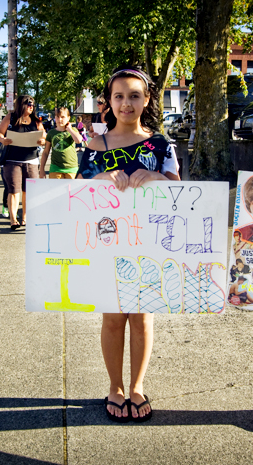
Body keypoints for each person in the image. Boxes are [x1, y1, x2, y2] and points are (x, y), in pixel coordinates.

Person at [77, 65, 180, 423]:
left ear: (148, 98)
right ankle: (115, 387)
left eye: (134, 95)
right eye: (119, 96)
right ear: (109, 101)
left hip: (149, 243)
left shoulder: (162, 145)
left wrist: (157, 177)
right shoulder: (95, 145)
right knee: (112, 318)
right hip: (107, 245)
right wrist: (100, 178)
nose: (126, 103)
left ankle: (137, 386)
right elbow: (73, 193)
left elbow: (179, 189)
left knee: (141, 317)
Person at [0, 95, 46, 230]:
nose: (31, 107)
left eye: (32, 104)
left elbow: (44, 135)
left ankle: (25, 217)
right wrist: (3, 139)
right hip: (12, 161)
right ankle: (13, 219)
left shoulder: (36, 121)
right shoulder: (11, 118)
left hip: (31, 161)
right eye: (29, 104)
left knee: (28, 191)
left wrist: (42, 141)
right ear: (21, 105)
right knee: (13, 190)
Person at [39, 107, 82, 179]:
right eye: (57, 117)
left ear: (68, 118)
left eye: (63, 117)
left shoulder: (73, 130)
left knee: (72, 190)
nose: (60, 119)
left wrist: (70, 130)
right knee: (56, 190)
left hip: (71, 168)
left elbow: (79, 140)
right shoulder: (51, 133)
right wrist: (41, 169)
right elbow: (46, 152)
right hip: (56, 168)